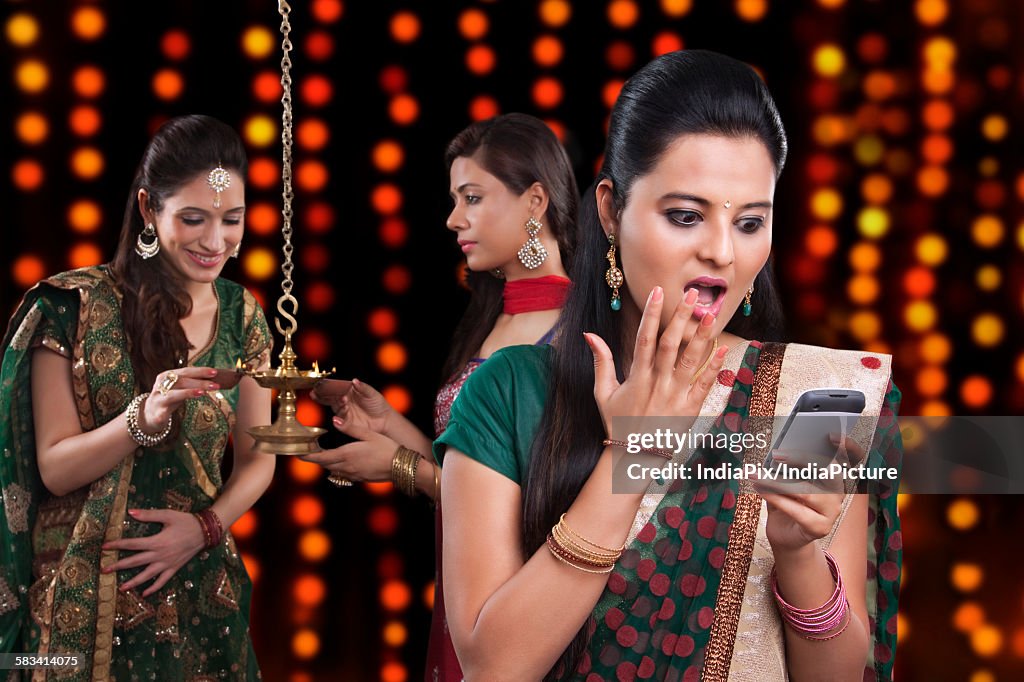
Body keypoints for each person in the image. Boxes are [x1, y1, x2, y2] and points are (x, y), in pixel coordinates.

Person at [434, 50, 902, 681]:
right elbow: (494, 668)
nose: (720, 251)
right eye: (686, 216)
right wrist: (631, 456)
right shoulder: (507, 392)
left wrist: (798, 554)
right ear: (609, 210)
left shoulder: (815, 397)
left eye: (750, 222)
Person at [302, 112, 579, 681]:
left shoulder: (578, 335)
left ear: (534, 202)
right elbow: (472, 469)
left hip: (522, 612)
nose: (454, 219)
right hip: (462, 594)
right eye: (456, 199)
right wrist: (390, 424)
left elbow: (551, 504)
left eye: (472, 197)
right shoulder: (493, 319)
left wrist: (402, 467)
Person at [0, 115, 275, 680]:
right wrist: (141, 418)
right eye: (193, 219)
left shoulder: (245, 315)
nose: (215, 241)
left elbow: (258, 461)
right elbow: (54, 467)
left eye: (233, 220)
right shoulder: (70, 308)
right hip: (78, 599)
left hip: (200, 595)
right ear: (149, 209)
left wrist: (203, 530)